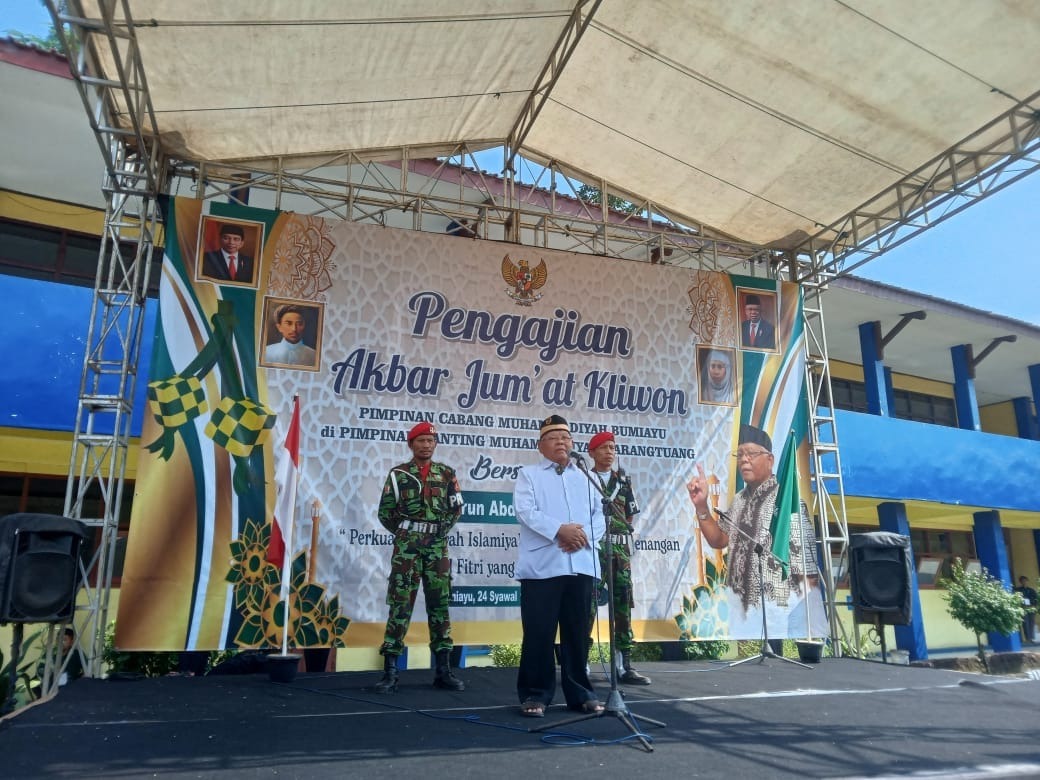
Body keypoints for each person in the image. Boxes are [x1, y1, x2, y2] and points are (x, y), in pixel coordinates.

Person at [686, 424, 826, 639]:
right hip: (742, 618)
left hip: (779, 616)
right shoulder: (740, 500)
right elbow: (719, 539)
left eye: (751, 454)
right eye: (740, 454)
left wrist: (806, 628)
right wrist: (702, 506)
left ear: (770, 460)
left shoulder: (787, 502)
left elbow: (806, 570)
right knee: (749, 672)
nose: (744, 460)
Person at [512, 415, 606, 718]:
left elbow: (600, 517)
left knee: (577, 633)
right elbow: (526, 511)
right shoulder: (529, 475)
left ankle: (581, 693)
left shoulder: (587, 477)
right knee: (539, 632)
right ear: (541, 446)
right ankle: (535, 694)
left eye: (566, 437)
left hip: (580, 563)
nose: (561, 442)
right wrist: (559, 531)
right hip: (544, 566)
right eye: (553, 438)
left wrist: (582, 536)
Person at [373, 421, 465, 693]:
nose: (426, 445)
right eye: (420, 441)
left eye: (430, 441)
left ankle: (443, 670)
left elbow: (455, 509)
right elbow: (385, 512)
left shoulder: (446, 474)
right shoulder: (398, 474)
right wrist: (408, 533)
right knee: (400, 604)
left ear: (435, 444)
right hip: (407, 549)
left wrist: (436, 532)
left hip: (437, 547)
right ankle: (390, 672)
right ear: (411, 444)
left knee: (440, 604)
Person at [586, 430, 651, 685]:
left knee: (623, 606)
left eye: (613, 447)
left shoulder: (623, 482)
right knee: (587, 606)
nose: (610, 452)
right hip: (593, 550)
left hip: (620, 553)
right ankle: (582, 664)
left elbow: (629, 516)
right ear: (592, 453)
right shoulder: (584, 479)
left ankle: (624, 665)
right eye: (604, 447)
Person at [1014, 576, 1037, 644]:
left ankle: (1032, 638)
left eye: (1025, 580)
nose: (1024, 582)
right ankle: (1027, 638)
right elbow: (1016, 598)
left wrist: (1033, 606)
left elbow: (1035, 599)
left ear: (1027, 581)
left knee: (1031, 623)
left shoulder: (1031, 590)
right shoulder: (1018, 590)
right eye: (1022, 581)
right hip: (1023, 608)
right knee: (1025, 623)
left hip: (1031, 608)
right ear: (1020, 582)